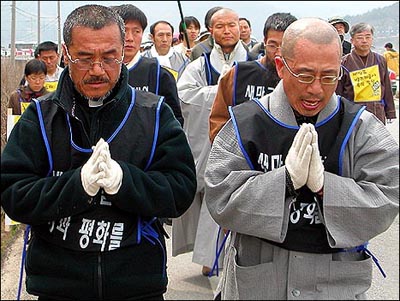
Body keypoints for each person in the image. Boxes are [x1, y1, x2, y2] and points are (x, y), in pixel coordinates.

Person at [1, 4, 196, 300]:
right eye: (84, 58)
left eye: (109, 58)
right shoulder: (40, 117)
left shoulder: (154, 113)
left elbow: (180, 191)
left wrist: (125, 182)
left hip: (137, 283)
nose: (97, 70)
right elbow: (13, 195)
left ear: (124, 52)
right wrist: (76, 186)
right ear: (66, 54)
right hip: (59, 286)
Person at [204, 17, 399, 300]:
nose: (316, 89)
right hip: (258, 279)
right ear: (282, 67)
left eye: (330, 76)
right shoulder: (246, 122)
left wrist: (324, 187)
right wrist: (284, 181)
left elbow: (388, 197)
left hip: (335, 281)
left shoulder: (361, 127)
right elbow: (219, 196)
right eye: (305, 76)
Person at [173, 7, 257, 277]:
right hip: (215, 139)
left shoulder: (254, 62)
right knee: (217, 194)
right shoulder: (201, 63)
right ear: (212, 30)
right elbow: (185, 95)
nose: (227, 31)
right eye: (220, 26)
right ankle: (213, 257)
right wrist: (220, 91)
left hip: (250, 140)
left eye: (232, 25)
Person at [209, 12, 297, 143]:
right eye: (272, 45)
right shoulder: (238, 74)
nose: (278, 53)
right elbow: (218, 122)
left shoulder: (302, 78)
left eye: (284, 46)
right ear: (264, 42)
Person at [110, 4, 184, 126]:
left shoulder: (159, 74)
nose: (129, 38)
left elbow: (174, 121)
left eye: (136, 31)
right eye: (123, 30)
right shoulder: (98, 72)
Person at [336, 22, 397, 124]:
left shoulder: (380, 60)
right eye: (360, 37)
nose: (364, 41)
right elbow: (339, 91)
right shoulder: (344, 62)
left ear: (372, 39)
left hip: (376, 111)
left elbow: (386, 86)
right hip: (353, 113)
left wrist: (390, 112)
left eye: (368, 37)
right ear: (352, 40)